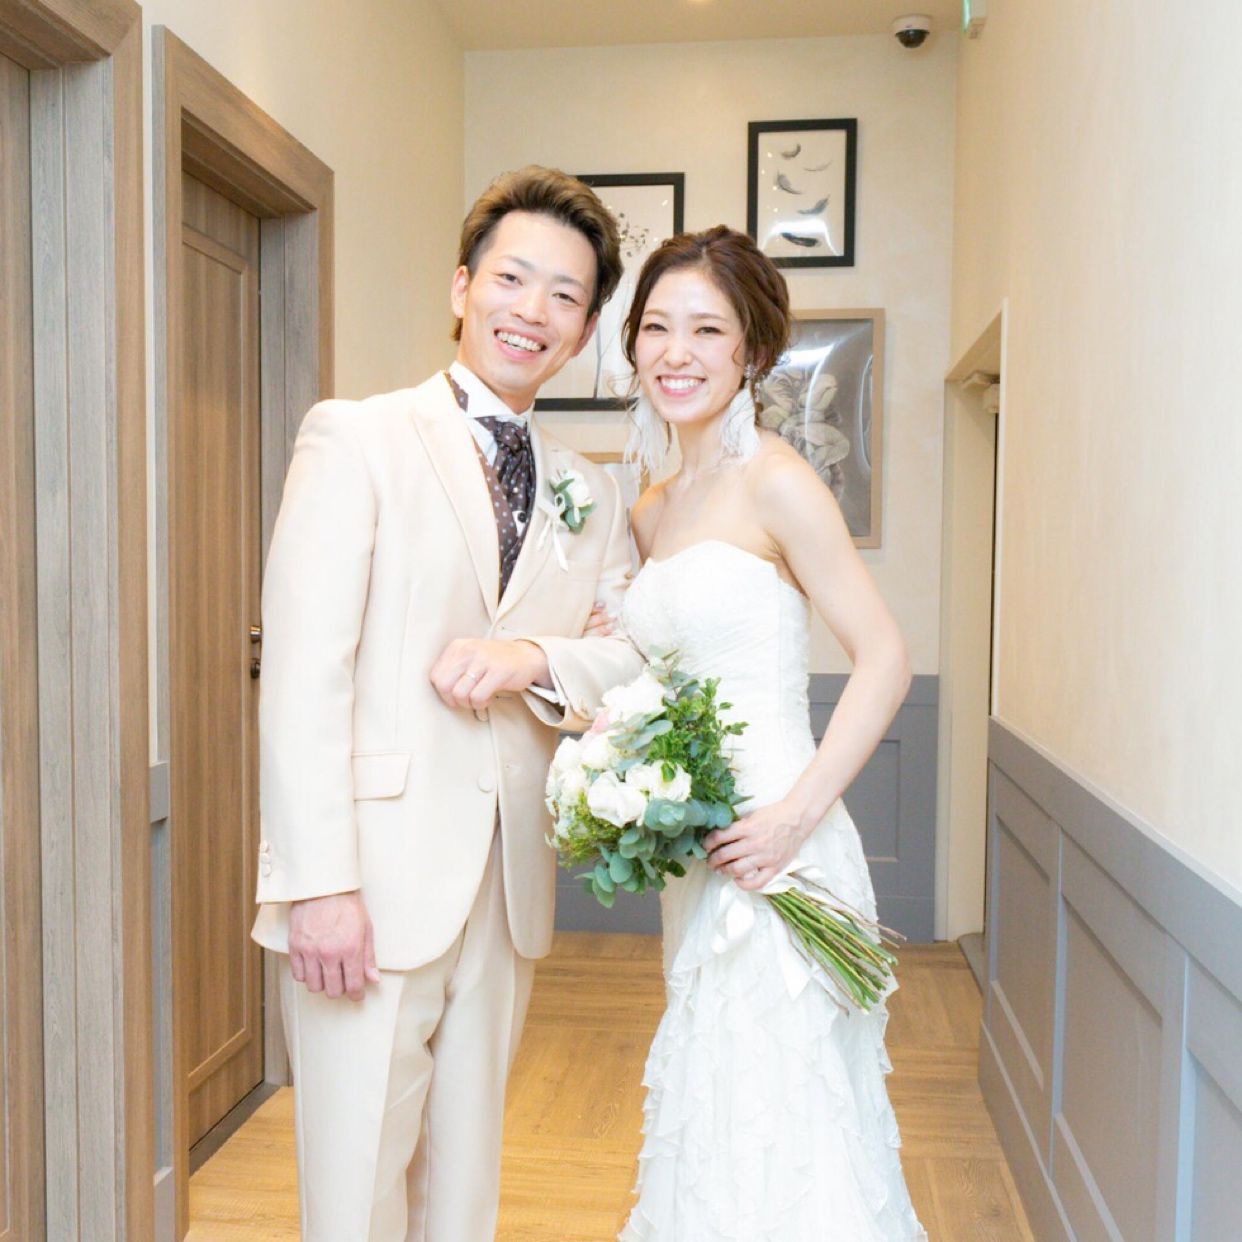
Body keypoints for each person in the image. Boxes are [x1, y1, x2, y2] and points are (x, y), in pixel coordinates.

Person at [251, 166, 644, 1242]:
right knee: (355, 1192)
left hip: (507, 889)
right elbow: (305, 677)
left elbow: (630, 662)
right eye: (512, 278)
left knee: (463, 1192)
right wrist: (319, 886)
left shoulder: (592, 489)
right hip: (369, 887)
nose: (533, 310)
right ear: (461, 287)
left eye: (564, 295)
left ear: (585, 330)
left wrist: (532, 657)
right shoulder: (358, 438)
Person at [612, 226, 928, 1240]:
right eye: (657, 327)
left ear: (750, 350)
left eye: (707, 330)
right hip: (699, 858)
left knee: (789, 1125)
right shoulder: (652, 510)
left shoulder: (780, 479)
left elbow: (884, 656)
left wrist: (792, 819)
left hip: (786, 850)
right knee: (718, 1118)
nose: (677, 352)